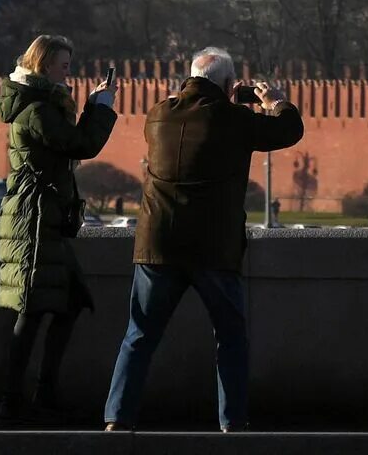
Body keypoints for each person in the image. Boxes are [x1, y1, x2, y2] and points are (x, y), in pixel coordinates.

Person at [103, 46, 304, 432]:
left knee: (139, 335)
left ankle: (117, 418)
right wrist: (276, 102)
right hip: (212, 248)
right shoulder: (234, 120)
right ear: (230, 84)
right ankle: (232, 422)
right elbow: (288, 131)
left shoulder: (158, 115)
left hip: (156, 243)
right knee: (230, 338)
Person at [0, 33, 118, 423]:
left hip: (45, 217)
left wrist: (91, 106)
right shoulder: (36, 110)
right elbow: (81, 145)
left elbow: (69, 143)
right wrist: (100, 108)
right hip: (34, 218)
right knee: (32, 310)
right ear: (44, 64)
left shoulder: (43, 104)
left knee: (69, 301)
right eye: (64, 64)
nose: (70, 70)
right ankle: (13, 401)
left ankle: (41, 391)